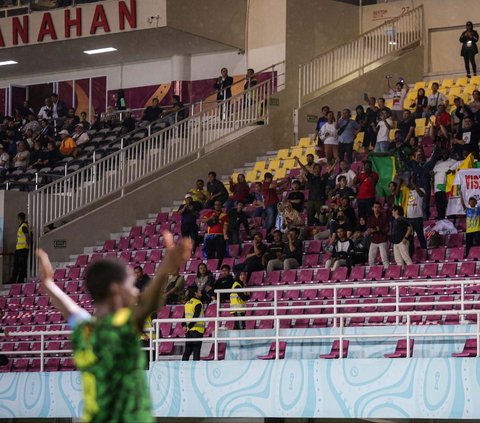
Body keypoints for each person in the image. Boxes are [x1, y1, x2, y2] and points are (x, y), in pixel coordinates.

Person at [36, 232, 191, 422]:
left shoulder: (84, 331)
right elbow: (148, 304)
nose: (135, 291)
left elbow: (71, 311)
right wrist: (165, 269)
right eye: (132, 285)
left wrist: (49, 284)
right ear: (116, 289)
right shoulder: (120, 328)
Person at [295, 158, 329, 226]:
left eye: (318, 168)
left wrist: (335, 164)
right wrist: (298, 161)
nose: (317, 170)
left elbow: (330, 171)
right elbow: (304, 169)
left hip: (320, 200)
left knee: (322, 217)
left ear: (320, 170)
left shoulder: (323, 178)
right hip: (311, 200)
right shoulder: (310, 177)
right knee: (310, 217)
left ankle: (322, 229)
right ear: (313, 170)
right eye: (315, 168)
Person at [432, 150, 458, 220]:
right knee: (439, 206)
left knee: (449, 205)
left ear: (448, 153)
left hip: (447, 187)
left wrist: (453, 171)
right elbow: (433, 174)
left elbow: (457, 171)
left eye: (445, 152)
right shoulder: (437, 163)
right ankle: (441, 220)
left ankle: (451, 220)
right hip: (438, 187)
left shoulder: (453, 162)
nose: (444, 154)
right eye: (443, 152)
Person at [182, 286, 204, 362]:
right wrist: (190, 327)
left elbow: (184, 316)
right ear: (195, 293)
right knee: (196, 352)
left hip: (188, 331)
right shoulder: (198, 303)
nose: (200, 292)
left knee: (187, 351)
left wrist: (184, 326)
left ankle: (182, 368)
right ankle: (195, 370)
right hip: (197, 331)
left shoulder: (187, 303)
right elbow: (195, 317)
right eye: (199, 291)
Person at [367, 201, 389, 268]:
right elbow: (368, 229)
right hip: (373, 240)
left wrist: (379, 230)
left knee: (384, 259)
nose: (377, 209)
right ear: (372, 208)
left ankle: (387, 271)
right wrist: (374, 230)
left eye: (378, 207)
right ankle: (374, 272)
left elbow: (387, 229)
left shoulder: (384, 217)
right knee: (371, 259)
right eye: (375, 207)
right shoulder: (370, 218)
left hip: (382, 240)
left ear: (381, 208)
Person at [8, 212, 29, 284]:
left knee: (21, 266)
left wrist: (27, 245)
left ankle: (20, 280)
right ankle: (13, 279)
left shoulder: (23, 226)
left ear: (19, 218)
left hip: (22, 249)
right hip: (19, 249)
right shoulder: (21, 226)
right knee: (16, 265)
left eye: (17, 218)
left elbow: (27, 236)